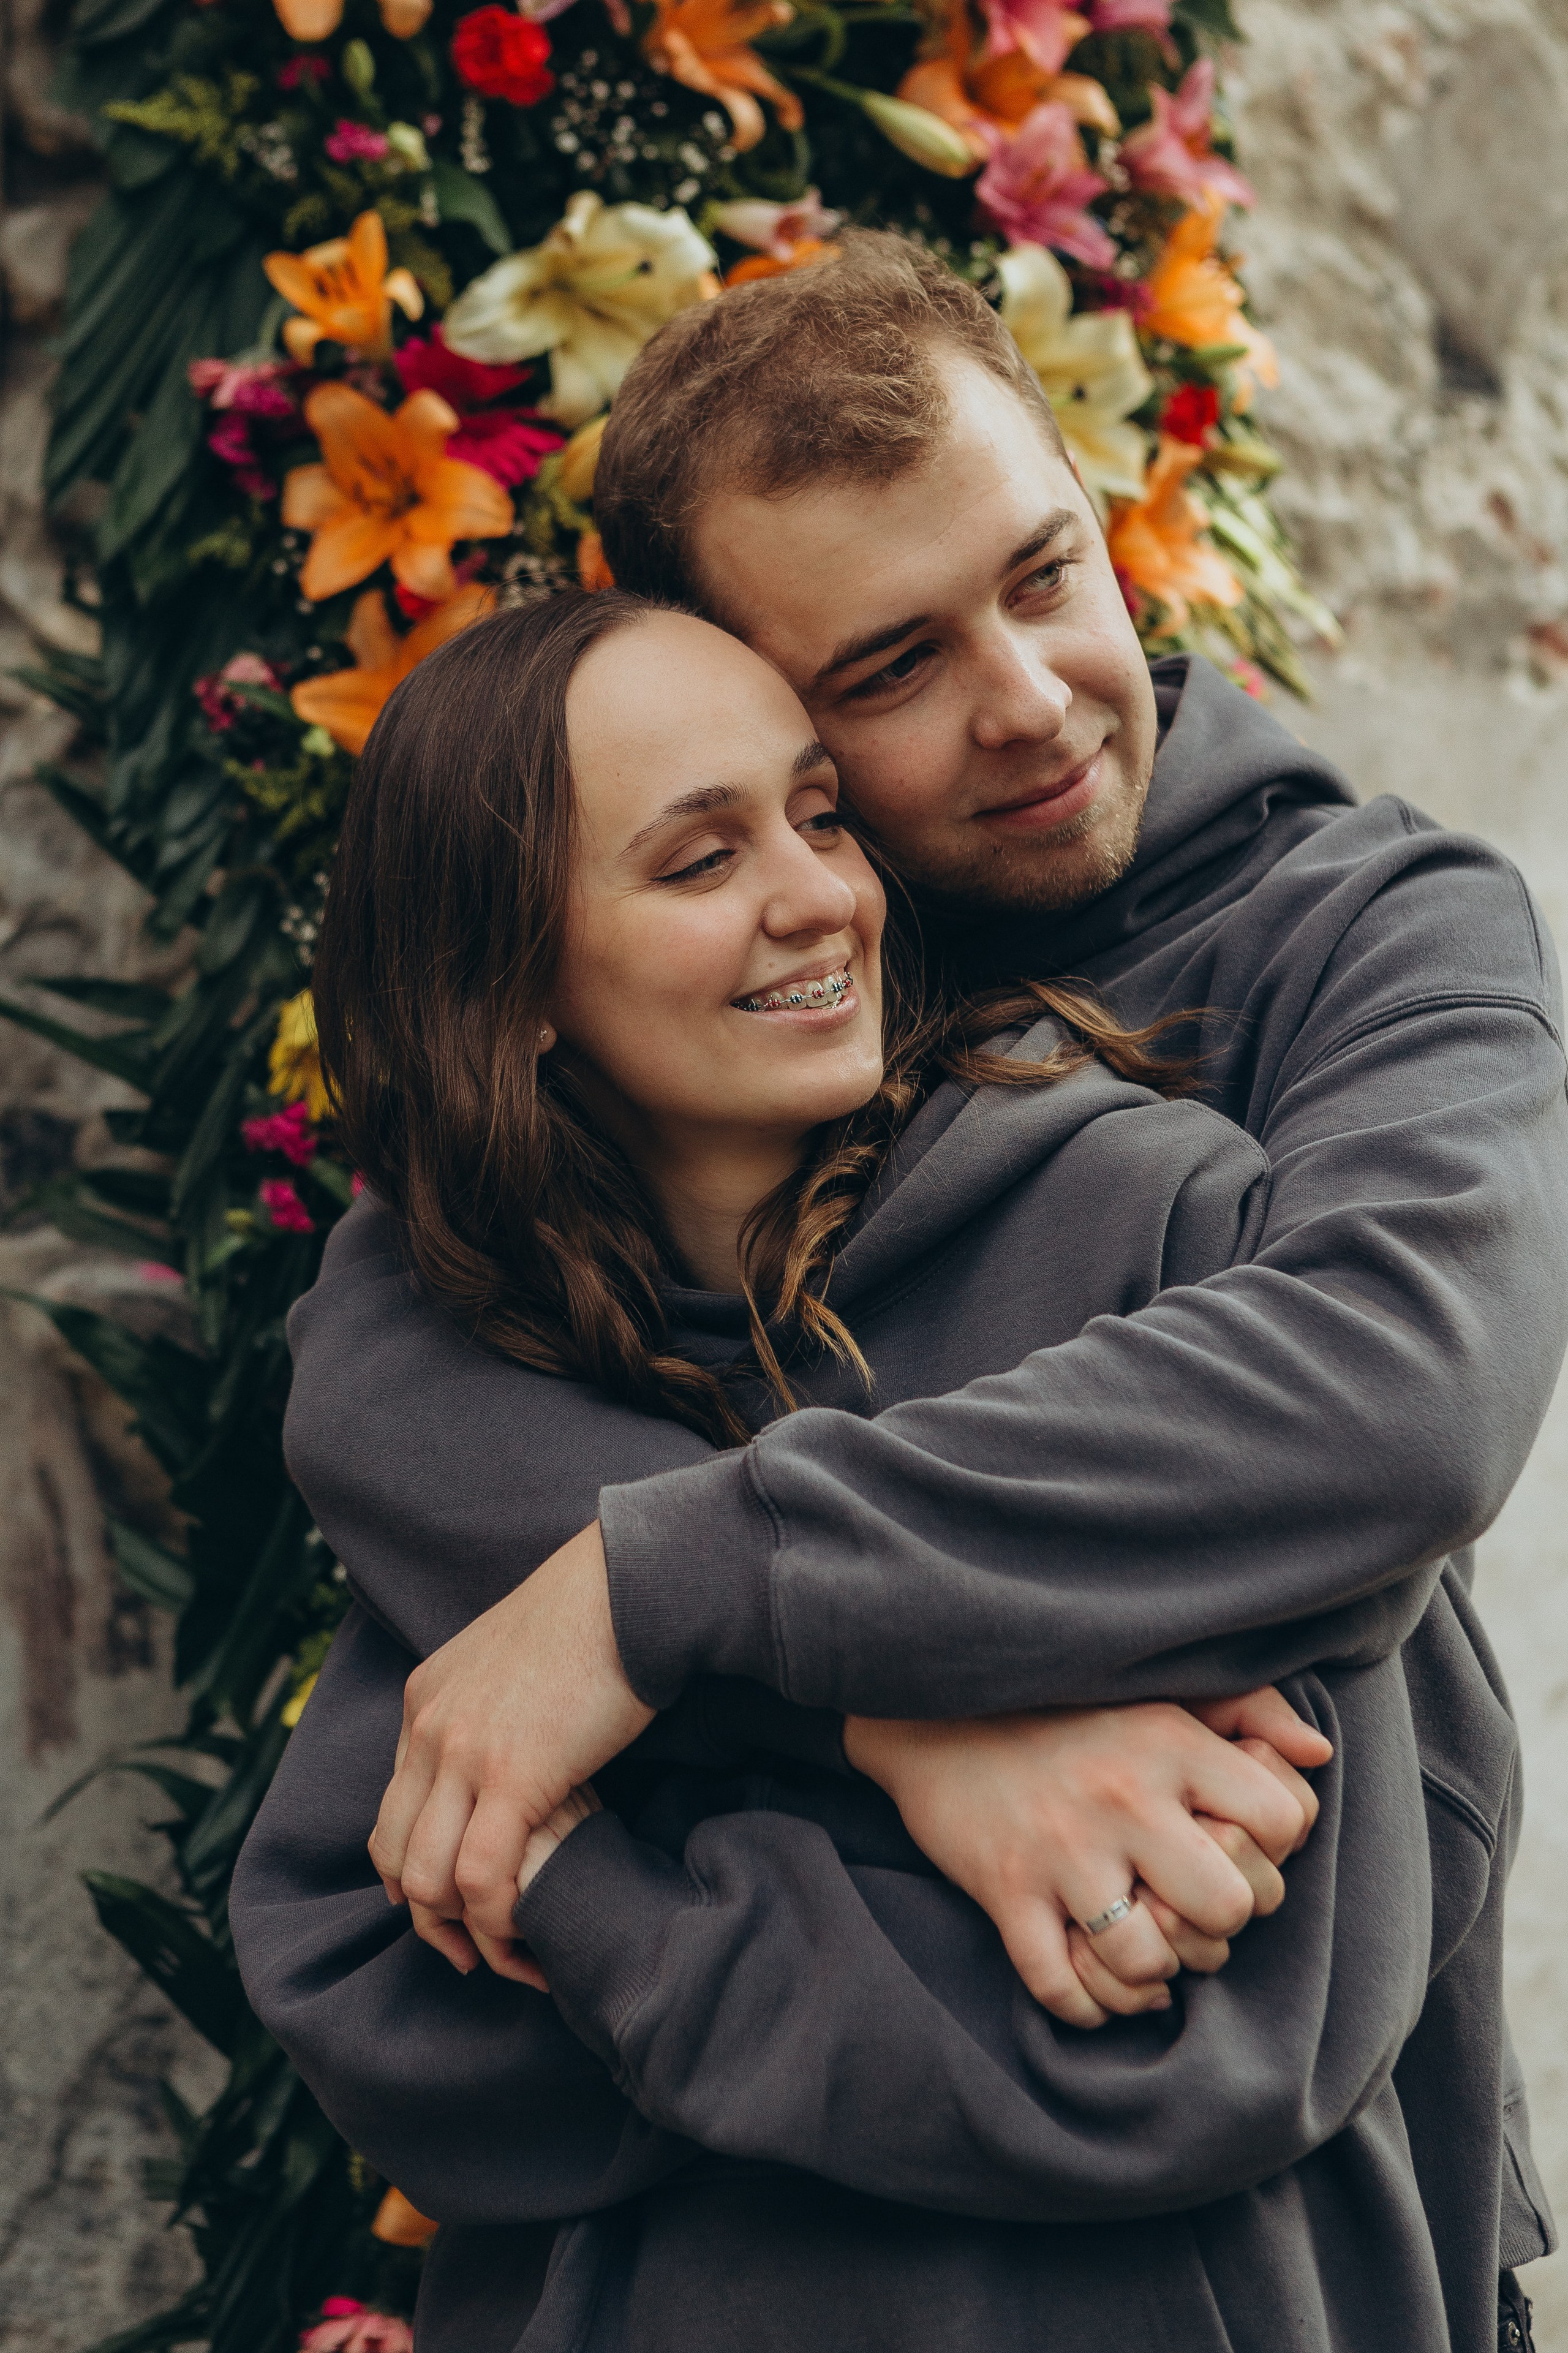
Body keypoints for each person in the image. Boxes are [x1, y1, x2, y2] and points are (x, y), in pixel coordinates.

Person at [245, 235, 1564, 2344]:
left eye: (1046, 572)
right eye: (891, 672)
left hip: (1259, 2226)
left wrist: (667, 1594)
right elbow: (393, 1361)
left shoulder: (1370, 937)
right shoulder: (758, 999)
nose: (1030, 700)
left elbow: (1398, 1391)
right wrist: (901, 1727)